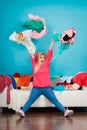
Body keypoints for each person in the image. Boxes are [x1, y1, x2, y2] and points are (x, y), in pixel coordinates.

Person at [16, 39, 73, 118]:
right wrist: (26, 41)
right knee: (30, 100)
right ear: (37, 58)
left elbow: (50, 49)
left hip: (47, 88)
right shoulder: (34, 64)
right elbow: (30, 50)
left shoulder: (47, 63)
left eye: (43, 57)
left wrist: (53, 40)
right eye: (41, 57)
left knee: (54, 100)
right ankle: (22, 111)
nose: (43, 58)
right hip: (36, 88)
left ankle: (65, 111)